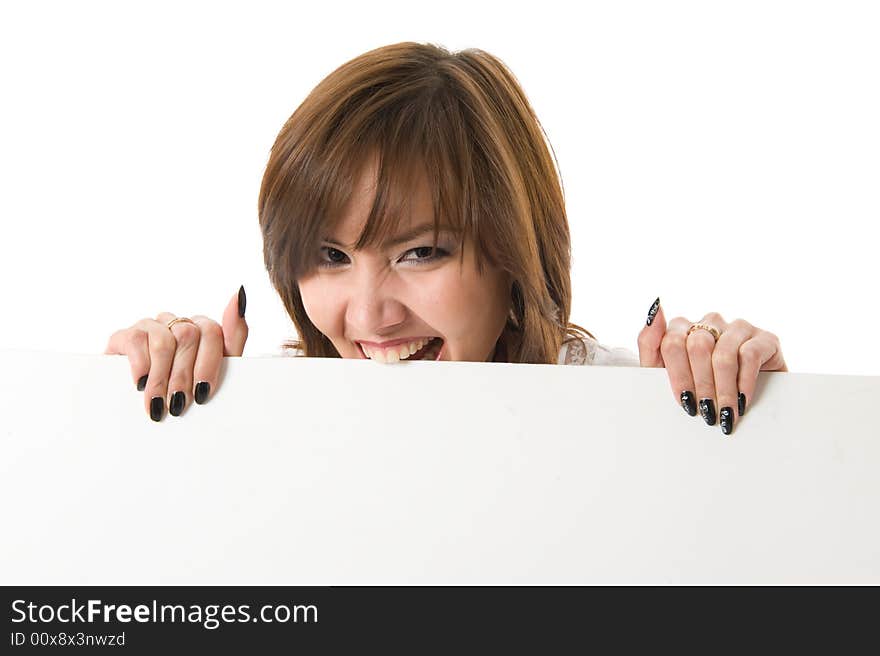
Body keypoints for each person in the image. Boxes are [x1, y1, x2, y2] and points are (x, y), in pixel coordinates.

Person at [104, 42, 787, 434]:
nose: (370, 316)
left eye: (421, 252)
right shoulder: (259, 411)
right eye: (330, 257)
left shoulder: (630, 404)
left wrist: (767, 432)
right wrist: (115, 408)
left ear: (515, 256)